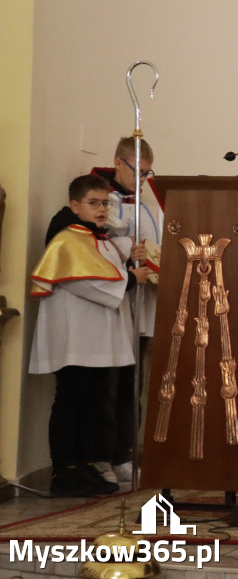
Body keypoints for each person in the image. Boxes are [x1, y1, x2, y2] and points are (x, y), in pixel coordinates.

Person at [28, 175, 152, 496]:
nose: (101, 209)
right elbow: (89, 282)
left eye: (105, 203)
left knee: (92, 403)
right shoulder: (67, 238)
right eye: (94, 203)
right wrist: (131, 279)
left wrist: (125, 252)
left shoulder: (91, 236)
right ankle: (64, 472)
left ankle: (83, 467)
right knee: (70, 402)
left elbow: (103, 263)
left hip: (92, 340)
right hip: (73, 339)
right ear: (75, 205)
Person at [90, 136, 163, 484]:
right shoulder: (104, 202)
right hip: (116, 304)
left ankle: (126, 453)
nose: (143, 180)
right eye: (138, 171)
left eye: (148, 173)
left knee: (134, 384)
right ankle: (105, 456)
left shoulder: (149, 205)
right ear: (119, 163)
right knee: (111, 385)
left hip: (145, 304)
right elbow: (99, 244)